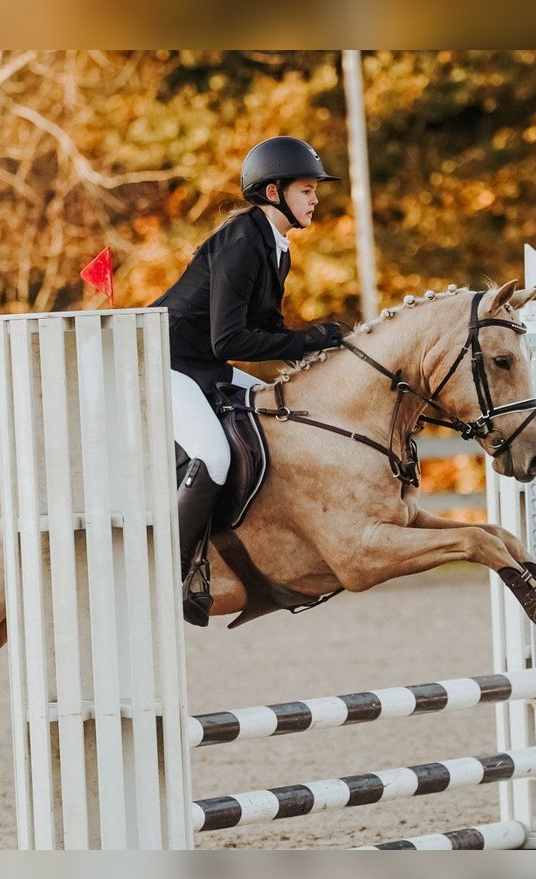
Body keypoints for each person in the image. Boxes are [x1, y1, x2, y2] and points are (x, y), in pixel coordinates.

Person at [151, 136, 345, 626]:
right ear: (274, 192)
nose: (315, 198)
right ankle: (169, 572)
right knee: (212, 454)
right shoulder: (243, 242)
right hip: (163, 362)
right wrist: (310, 341)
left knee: (275, 410)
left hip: (202, 367)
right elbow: (230, 339)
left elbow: (269, 332)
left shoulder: (274, 246)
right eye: (306, 189)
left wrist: (325, 347)